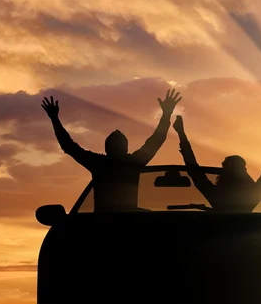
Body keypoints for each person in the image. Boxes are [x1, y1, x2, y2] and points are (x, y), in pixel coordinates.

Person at [41, 88, 182, 212]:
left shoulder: (99, 164)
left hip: (104, 224)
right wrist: (166, 114)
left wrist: (54, 118)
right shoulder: (133, 162)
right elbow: (156, 140)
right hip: (126, 223)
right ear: (126, 147)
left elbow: (69, 146)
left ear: (107, 148)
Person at [172, 113, 261, 213]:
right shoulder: (252, 196)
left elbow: (193, 169)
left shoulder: (215, 194)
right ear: (243, 172)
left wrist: (181, 133)